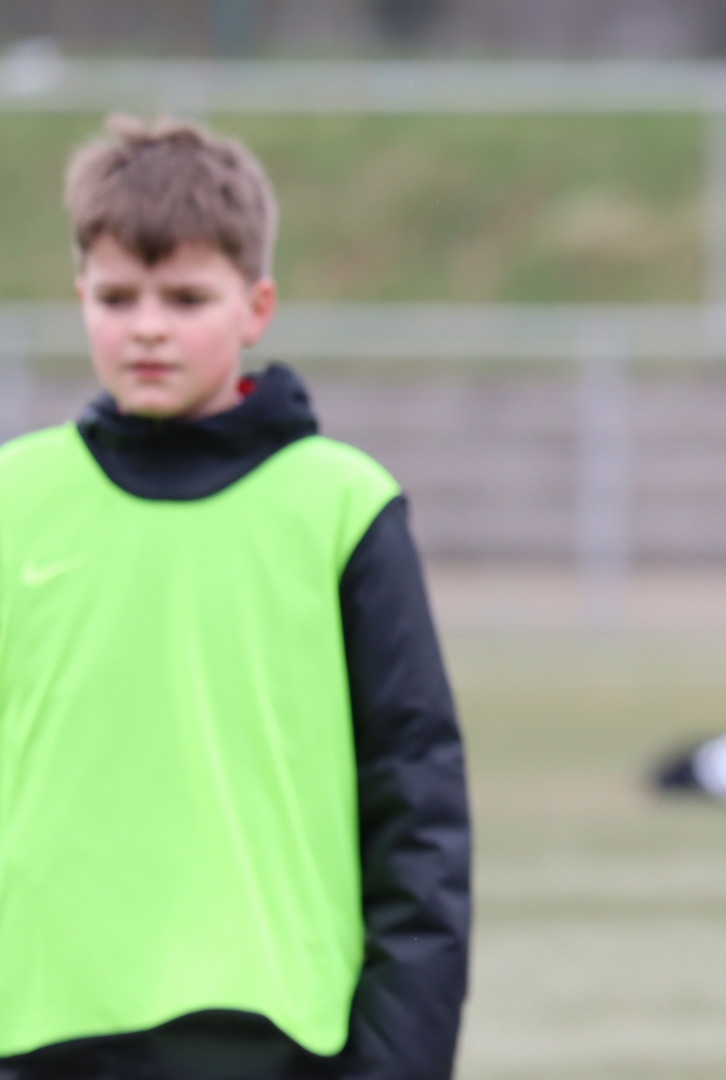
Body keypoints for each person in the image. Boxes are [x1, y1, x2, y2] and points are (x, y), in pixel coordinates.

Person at [0, 116, 471, 1080]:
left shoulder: (342, 506)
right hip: (40, 1030)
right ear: (80, 295)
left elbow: (416, 806)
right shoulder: (16, 500)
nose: (148, 327)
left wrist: (399, 1058)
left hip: (268, 1038)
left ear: (257, 307)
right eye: (117, 296)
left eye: (185, 297)